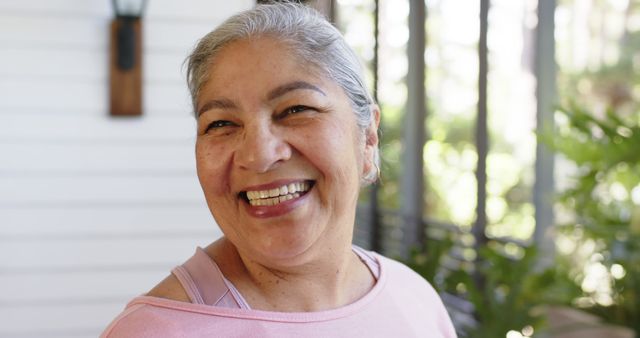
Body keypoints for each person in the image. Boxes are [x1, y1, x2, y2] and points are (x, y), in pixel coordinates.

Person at [101, 2, 456, 337]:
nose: (258, 155)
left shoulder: (415, 301)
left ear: (367, 138)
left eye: (295, 109)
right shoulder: (157, 330)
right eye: (221, 123)